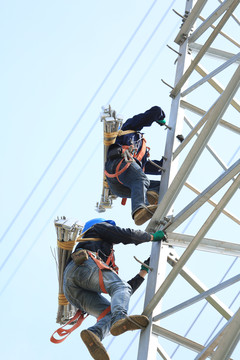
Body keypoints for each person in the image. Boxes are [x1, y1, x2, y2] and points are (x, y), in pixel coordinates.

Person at [63, 218, 166, 360]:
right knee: (119, 295)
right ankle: (120, 318)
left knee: (112, 310)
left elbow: (123, 293)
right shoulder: (98, 228)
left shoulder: (104, 255)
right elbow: (125, 234)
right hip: (83, 266)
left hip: (71, 289)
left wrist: (143, 272)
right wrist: (152, 237)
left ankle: (95, 334)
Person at [104, 106, 166, 226]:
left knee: (163, 186)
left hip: (121, 185)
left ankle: (150, 198)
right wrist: (159, 116)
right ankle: (139, 210)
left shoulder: (140, 160)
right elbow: (153, 112)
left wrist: (171, 163)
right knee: (141, 179)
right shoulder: (128, 128)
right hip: (119, 164)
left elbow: (157, 168)